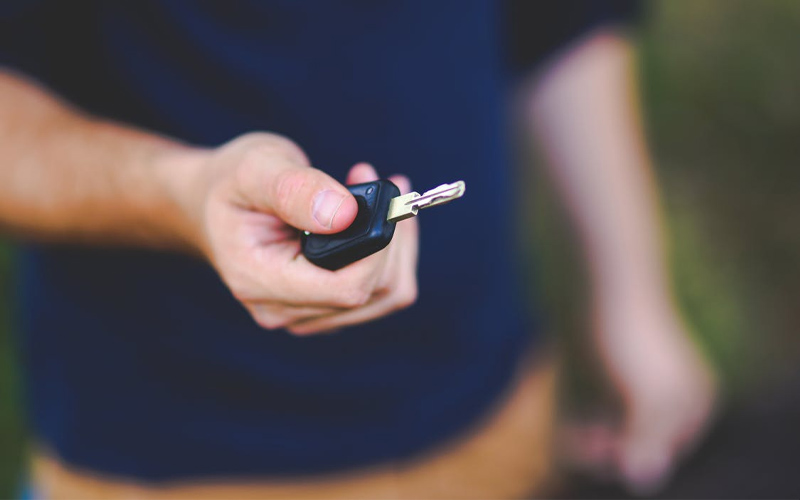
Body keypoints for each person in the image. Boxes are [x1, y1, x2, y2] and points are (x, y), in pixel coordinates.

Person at [0, 1, 715, 498]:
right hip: (186, 463)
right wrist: (186, 193)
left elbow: (557, 14)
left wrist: (633, 293)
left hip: (499, 414)